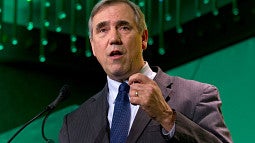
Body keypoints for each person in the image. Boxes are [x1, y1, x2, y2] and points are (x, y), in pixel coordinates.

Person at [59, 0, 233, 142]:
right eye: (103, 30)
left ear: (143, 38)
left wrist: (166, 117)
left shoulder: (197, 96)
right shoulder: (74, 123)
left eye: (124, 27)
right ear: (93, 46)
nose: (113, 38)